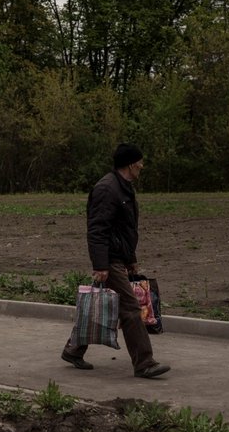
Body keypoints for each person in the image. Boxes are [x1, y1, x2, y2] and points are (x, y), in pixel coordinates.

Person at [62, 143, 171, 379]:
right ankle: (144, 363)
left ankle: (73, 349)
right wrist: (100, 265)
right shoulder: (107, 189)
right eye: (140, 162)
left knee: (102, 306)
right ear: (132, 164)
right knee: (131, 308)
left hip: (118, 257)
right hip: (109, 259)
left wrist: (131, 260)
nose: (142, 166)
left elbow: (125, 230)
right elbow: (97, 229)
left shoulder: (124, 188)